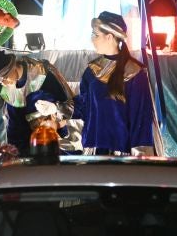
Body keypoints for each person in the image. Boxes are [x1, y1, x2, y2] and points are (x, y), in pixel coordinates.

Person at [36, 11, 156, 155]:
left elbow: (140, 119)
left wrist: (140, 158)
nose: (92, 39)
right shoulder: (92, 70)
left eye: (96, 35)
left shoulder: (135, 72)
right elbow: (85, 105)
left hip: (122, 154)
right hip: (93, 150)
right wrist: (56, 108)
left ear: (109, 36)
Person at [0, 45, 80, 155]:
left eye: (4, 78)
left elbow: (67, 102)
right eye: (0, 82)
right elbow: (15, 128)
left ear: (12, 66)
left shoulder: (42, 73)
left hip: (60, 135)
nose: (4, 83)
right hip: (35, 142)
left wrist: (57, 125)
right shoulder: (9, 92)